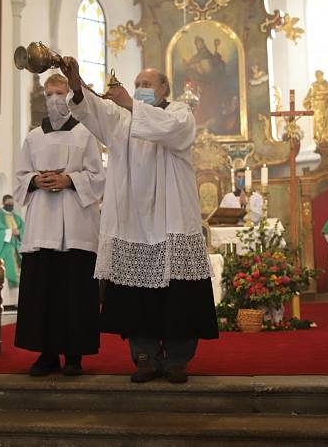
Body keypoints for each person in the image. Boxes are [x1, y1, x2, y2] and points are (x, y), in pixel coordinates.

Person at [63, 57, 218, 385]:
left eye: (147, 84)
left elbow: (173, 132)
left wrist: (133, 104)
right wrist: (76, 84)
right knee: (136, 298)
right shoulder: (119, 118)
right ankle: (144, 357)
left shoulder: (180, 113)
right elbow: (91, 110)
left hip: (173, 219)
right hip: (134, 221)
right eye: (137, 84)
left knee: (181, 295)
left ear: (164, 88)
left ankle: (177, 359)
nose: (140, 89)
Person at [13, 73, 106, 376]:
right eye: (49, 93)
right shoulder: (32, 137)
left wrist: (69, 179)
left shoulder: (86, 134)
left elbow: (99, 178)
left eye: (59, 92)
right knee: (44, 292)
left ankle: (74, 355)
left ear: (69, 95)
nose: (54, 99)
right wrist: (34, 180)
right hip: (42, 223)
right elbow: (19, 177)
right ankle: (46, 354)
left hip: (77, 225)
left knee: (74, 292)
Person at [0, 195, 24, 308]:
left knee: (19, 269)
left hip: (17, 248)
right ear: (3, 202)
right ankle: (7, 302)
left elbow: (24, 229)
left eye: (12, 203)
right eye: (8, 202)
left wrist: (19, 232)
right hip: (3, 249)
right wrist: (8, 232)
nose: (10, 205)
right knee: (8, 268)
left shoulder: (17, 218)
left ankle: (16, 301)